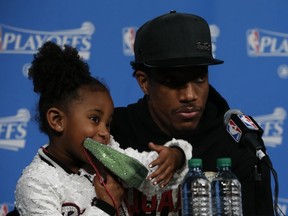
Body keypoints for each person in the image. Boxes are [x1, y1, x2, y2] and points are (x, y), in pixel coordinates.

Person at [110, 10, 275, 215]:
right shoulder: (113, 132)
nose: (190, 95)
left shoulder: (237, 141)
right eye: (173, 81)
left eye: (199, 79)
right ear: (144, 82)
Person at [12, 41, 192, 216]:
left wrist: (175, 156)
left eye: (108, 123)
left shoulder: (106, 156)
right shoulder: (35, 183)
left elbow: (147, 176)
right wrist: (105, 206)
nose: (105, 132)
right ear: (57, 120)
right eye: (94, 119)